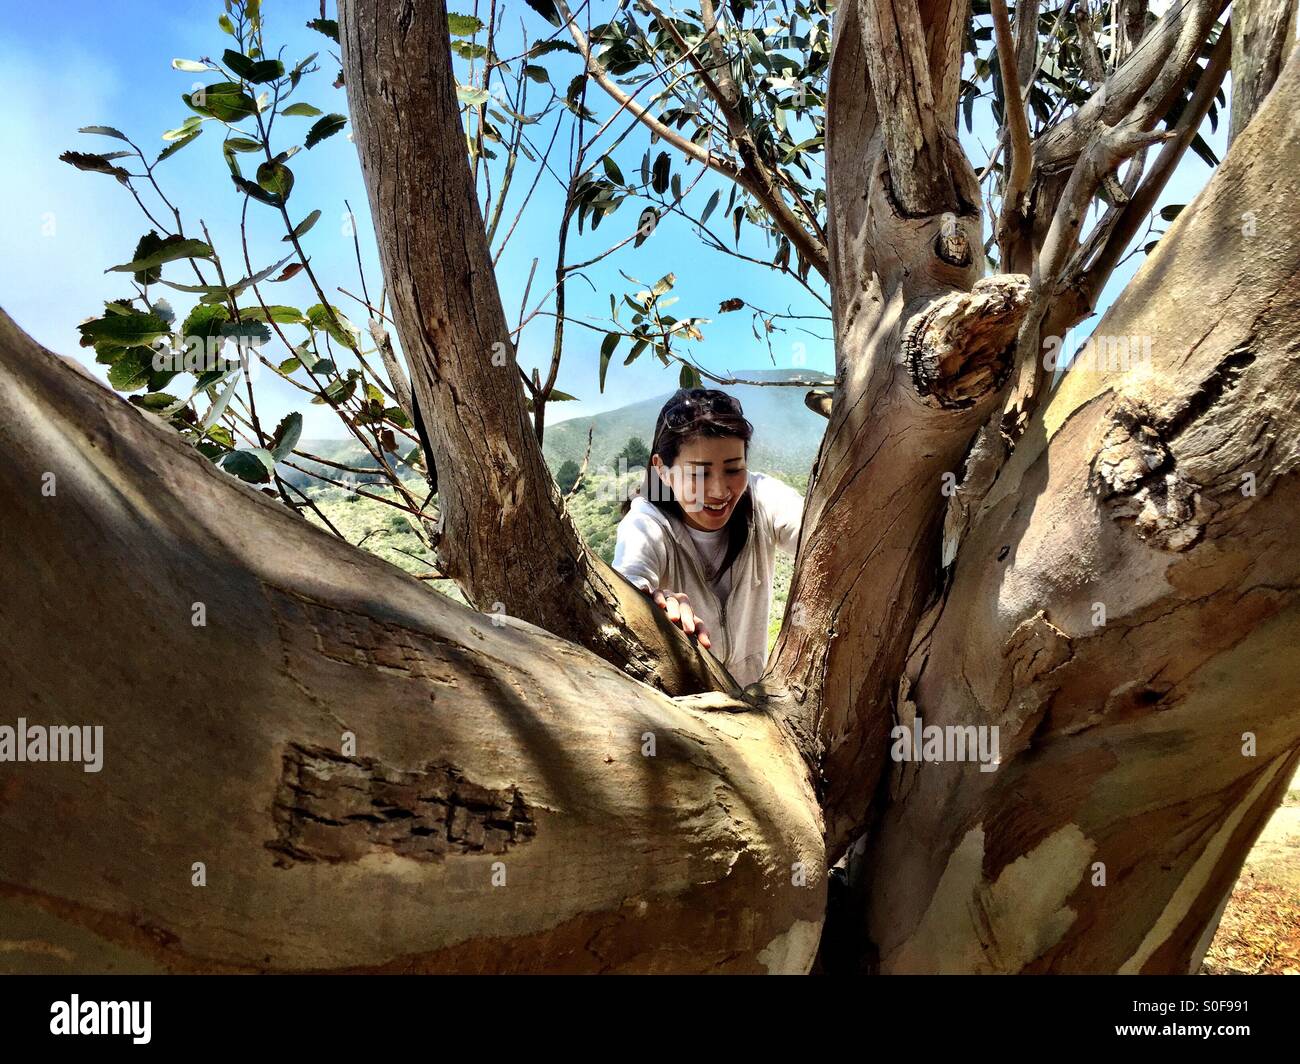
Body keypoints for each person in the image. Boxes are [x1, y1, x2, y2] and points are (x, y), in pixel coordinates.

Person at [612, 387, 804, 688]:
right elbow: (625, 590)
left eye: (733, 469)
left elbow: (821, 535)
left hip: (758, 707)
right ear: (662, 471)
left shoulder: (764, 498)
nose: (719, 491)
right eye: (699, 473)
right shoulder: (647, 523)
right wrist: (652, 604)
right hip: (686, 717)